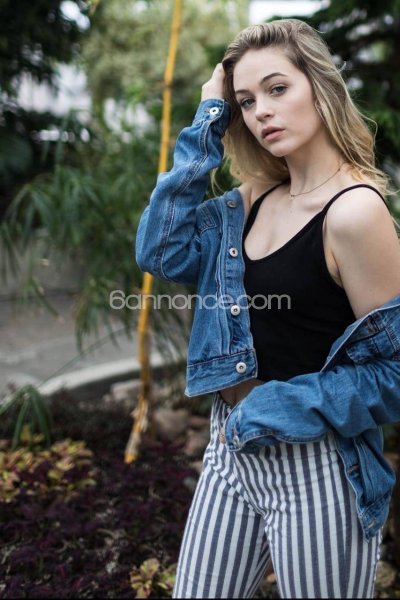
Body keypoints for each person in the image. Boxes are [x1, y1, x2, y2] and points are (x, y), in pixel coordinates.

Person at [135, 19, 400, 599]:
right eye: (246, 101)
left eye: (277, 89)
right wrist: (208, 116)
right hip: (230, 449)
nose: (262, 112)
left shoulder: (355, 213)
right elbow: (160, 249)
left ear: (319, 86)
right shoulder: (253, 199)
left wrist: (284, 402)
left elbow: (395, 372)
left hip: (318, 466)